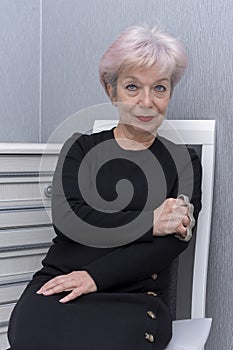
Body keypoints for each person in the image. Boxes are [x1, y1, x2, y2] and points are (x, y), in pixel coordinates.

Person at [7, 25, 202, 350]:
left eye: (160, 88)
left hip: (136, 293)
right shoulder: (80, 148)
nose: (147, 102)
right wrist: (150, 221)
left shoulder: (183, 161)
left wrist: (96, 276)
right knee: (27, 337)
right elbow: (69, 221)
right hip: (63, 278)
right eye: (131, 87)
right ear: (111, 92)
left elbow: (168, 246)